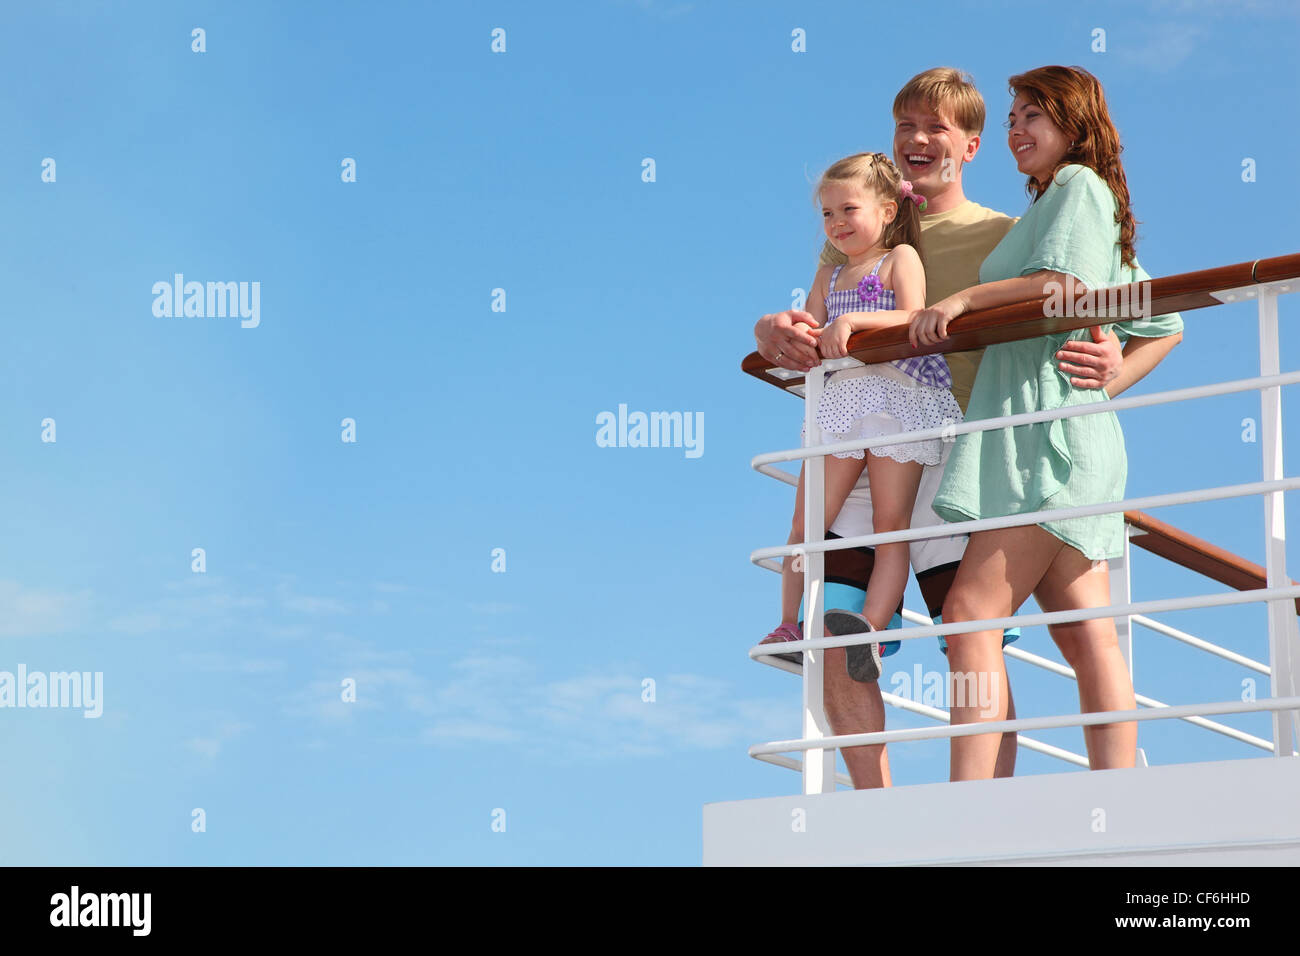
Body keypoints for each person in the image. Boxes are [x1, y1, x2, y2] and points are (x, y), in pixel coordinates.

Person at [754, 67, 1181, 789]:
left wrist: (1110, 354)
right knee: (835, 628)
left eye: (937, 128)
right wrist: (772, 325)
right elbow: (815, 313)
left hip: (967, 448)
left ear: (970, 146)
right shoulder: (857, 224)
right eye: (905, 126)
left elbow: (1118, 297)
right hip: (863, 440)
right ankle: (880, 809)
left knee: (968, 633)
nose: (918, 140)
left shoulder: (1020, 224)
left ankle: (983, 803)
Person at [908, 65, 1185, 781]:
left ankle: (970, 800)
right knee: (1085, 632)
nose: (1016, 130)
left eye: (1033, 115)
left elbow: (1067, 289)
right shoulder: (1074, 205)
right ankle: (1117, 788)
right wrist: (1107, 380)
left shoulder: (1076, 189)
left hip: (1042, 438)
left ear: (1074, 124)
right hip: (1056, 434)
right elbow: (1161, 321)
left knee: (971, 610)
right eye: (1011, 119)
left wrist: (967, 299)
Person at [759, 152, 962, 683]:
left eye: (848, 208)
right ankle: (788, 624)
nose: (837, 223)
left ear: (888, 210)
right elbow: (811, 324)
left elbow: (913, 315)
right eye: (827, 214)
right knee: (808, 523)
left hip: (896, 399)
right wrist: (794, 330)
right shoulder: (829, 271)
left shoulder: (899, 259)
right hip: (842, 405)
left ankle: (869, 628)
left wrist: (852, 319)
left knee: (889, 525)